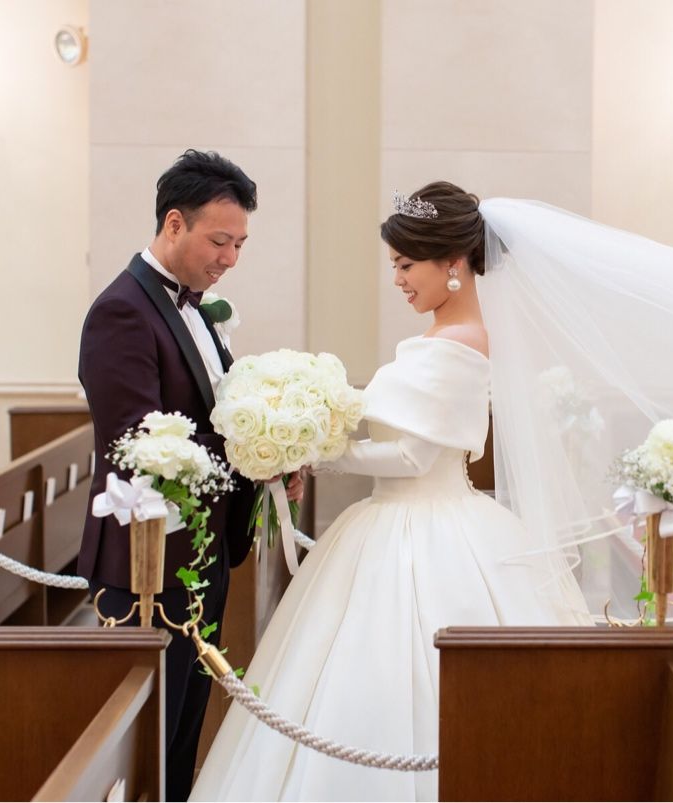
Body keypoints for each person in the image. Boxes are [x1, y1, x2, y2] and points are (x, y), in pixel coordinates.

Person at [190, 182, 593, 802]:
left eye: (406, 265)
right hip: (411, 518)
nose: (398, 280)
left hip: (419, 524)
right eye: (394, 266)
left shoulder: (458, 343)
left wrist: (316, 453)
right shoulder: (449, 334)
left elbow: (412, 457)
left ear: (452, 262)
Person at [78, 149, 302, 801]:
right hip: (146, 564)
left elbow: (215, 418)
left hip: (200, 555)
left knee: (183, 736)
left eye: (240, 244)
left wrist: (272, 452)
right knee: (145, 744)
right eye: (219, 240)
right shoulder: (122, 310)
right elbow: (140, 443)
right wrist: (253, 456)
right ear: (174, 223)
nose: (230, 257)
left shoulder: (198, 308)